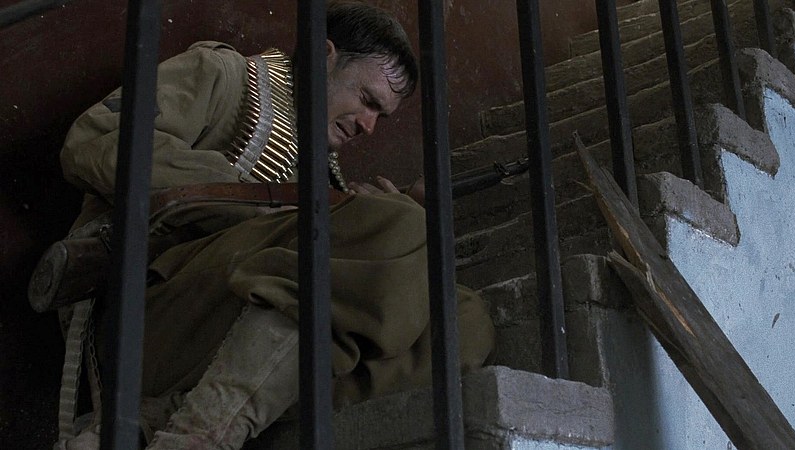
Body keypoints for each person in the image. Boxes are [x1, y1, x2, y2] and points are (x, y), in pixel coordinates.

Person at [51, 2, 495, 449]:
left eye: (381, 115)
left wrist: (370, 221)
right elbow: (97, 139)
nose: (370, 126)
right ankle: (196, 439)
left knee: (463, 319)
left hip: (221, 332)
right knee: (401, 224)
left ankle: (169, 416)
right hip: (148, 320)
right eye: (367, 100)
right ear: (324, 56)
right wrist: (260, 203)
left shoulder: (324, 168)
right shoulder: (225, 75)